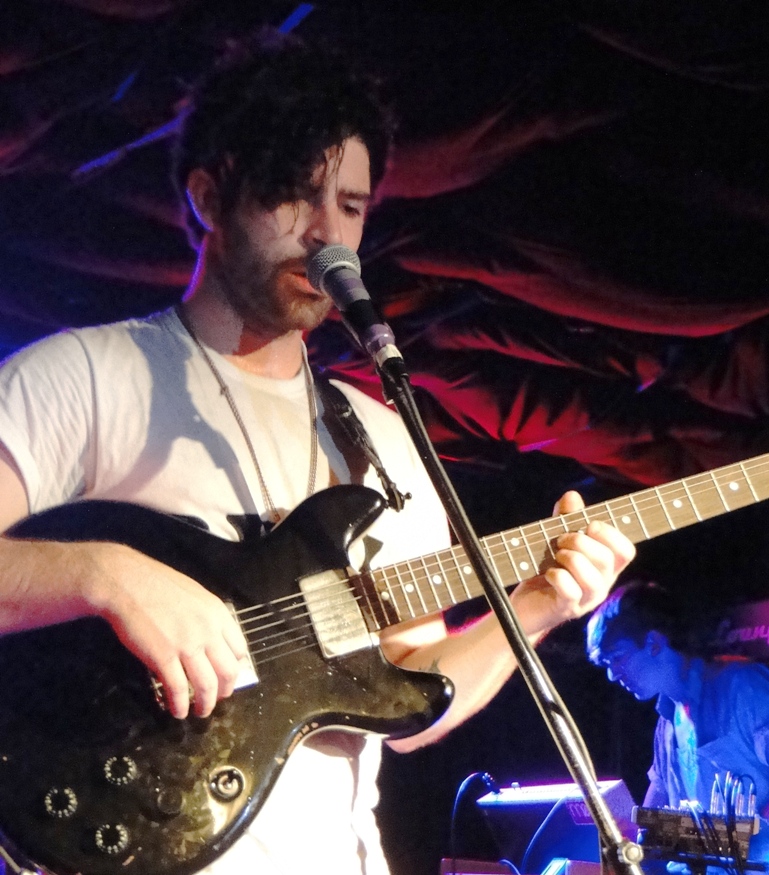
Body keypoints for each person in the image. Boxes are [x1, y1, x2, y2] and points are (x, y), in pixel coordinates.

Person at [0, 33, 635, 875]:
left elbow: (409, 685)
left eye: (352, 205)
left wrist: (541, 602)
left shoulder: (381, 434)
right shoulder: (82, 376)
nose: (329, 237)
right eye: (295, 198)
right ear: (206, 197)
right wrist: (105, 575)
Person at [586, 579, 769, 825]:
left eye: (617, 658)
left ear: (654, 643)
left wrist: (755, 843)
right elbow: (654, 816)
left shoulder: (743, 688)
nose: (613, 674)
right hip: (701, 865)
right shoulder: (666, 722)